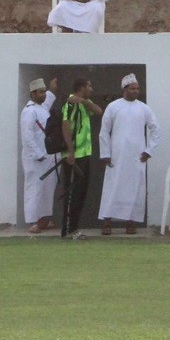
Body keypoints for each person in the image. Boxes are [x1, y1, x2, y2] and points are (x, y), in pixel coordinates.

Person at [98, 74, 160, 235]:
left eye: (137, 89)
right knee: (113, 187)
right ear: (124, 89)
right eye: (132, 88)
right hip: (116, 156)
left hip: (137, 156)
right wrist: (105, 153)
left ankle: (131, 223)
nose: (136, 91)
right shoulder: (113, 106)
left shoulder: (144, 108)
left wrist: (149, 150)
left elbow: (155, 129)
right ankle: (107, 222)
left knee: (135, 188)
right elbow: (104, 131)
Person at [61, 77, 103, 238]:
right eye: (89, 86)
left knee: (81, 193)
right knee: (72, 193)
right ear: (82, 87)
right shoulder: (70, 104)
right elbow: (65, 126)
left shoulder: (83, 104)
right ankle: (67, 230)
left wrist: (85, 102)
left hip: (85, 154)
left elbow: (99, 111)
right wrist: (70, 151)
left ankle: (74, 228)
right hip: (74, 156)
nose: (91, 89)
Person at [20, 78, 58, 233]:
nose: (44, 95)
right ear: (33, 94)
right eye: (41, 92)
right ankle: (33, 221)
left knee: (46, 190)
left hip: (46, 156)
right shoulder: (29, 111)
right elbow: (27, 136)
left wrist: (52, 89)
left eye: (44, 92)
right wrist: (38, 154)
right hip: (35, 159)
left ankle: (43, 220)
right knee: (34, 189)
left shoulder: (41, 107)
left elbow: (47, 101)